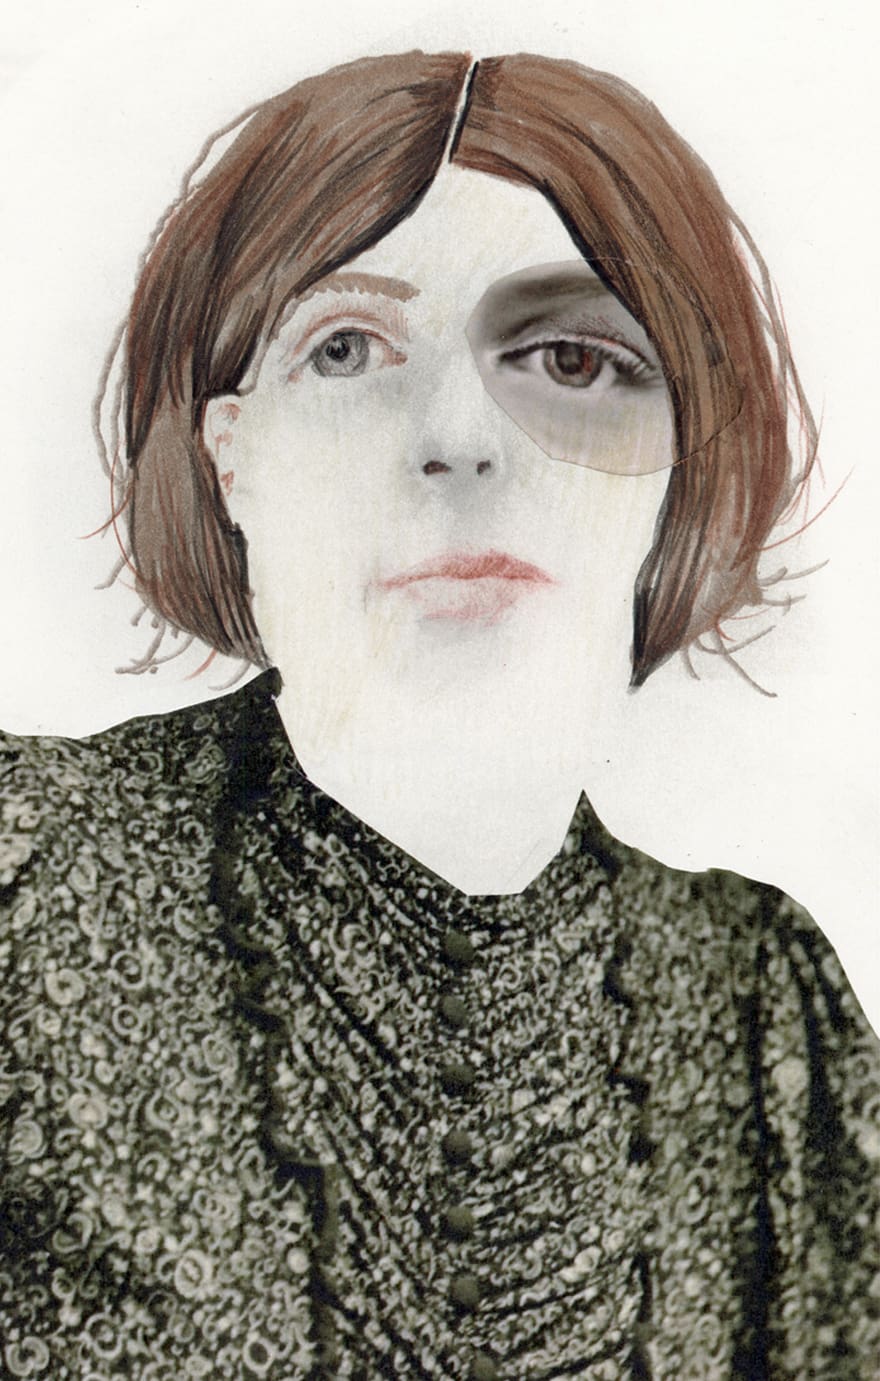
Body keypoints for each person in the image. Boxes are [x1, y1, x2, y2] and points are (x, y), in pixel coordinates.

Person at [1, 49, 877, 1379]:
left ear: (680, 462)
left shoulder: (764, 1008)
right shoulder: (27, 868)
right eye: (347, 349)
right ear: (231, 458)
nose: (460, 438)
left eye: (572, 358)